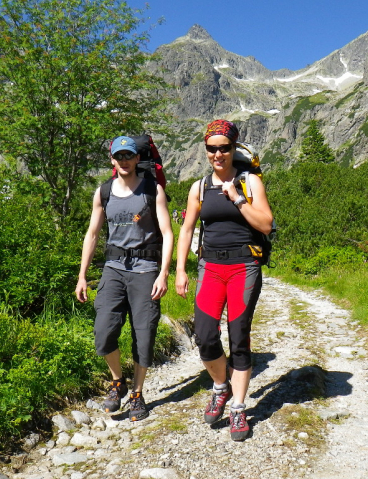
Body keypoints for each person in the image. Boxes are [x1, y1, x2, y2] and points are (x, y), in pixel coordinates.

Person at [175, 120, 273, 441]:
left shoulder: (250, 182)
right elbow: (187, 229)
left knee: (239, 336)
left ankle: (239, 408)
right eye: (212, 148)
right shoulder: (199, 187)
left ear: (234, 148)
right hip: (211, 267)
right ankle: (221, 387)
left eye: (225, 147)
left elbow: (266, 224)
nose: (218, 154)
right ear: (206, 151)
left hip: (245, 267)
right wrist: (179, 269)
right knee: (204, 336)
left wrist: (237, 198)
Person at [75, 135, 173, 421]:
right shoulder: (103, 191)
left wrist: (163, 272)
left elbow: (167, 233)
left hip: (145, 270)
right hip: (114, 269)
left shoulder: (152, 190)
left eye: (129, 155)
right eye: (119, 156)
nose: (125, 161)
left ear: (136, 158)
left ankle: (138, 393)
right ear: (112, 160)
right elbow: (92, 234)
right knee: (104, 333)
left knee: (144, 335)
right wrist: (82, 276)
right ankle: (117, 381)